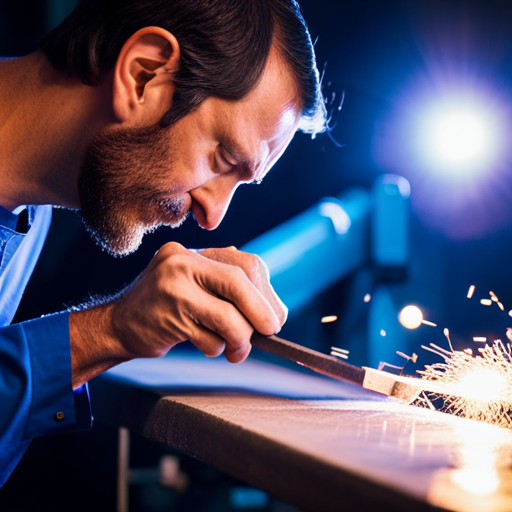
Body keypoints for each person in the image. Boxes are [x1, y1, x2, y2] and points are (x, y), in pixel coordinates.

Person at [0, 0, 325, 486]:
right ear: (143, 75)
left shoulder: (32, 213)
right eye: (223, 157)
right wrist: (108, 331)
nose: (213, 216)